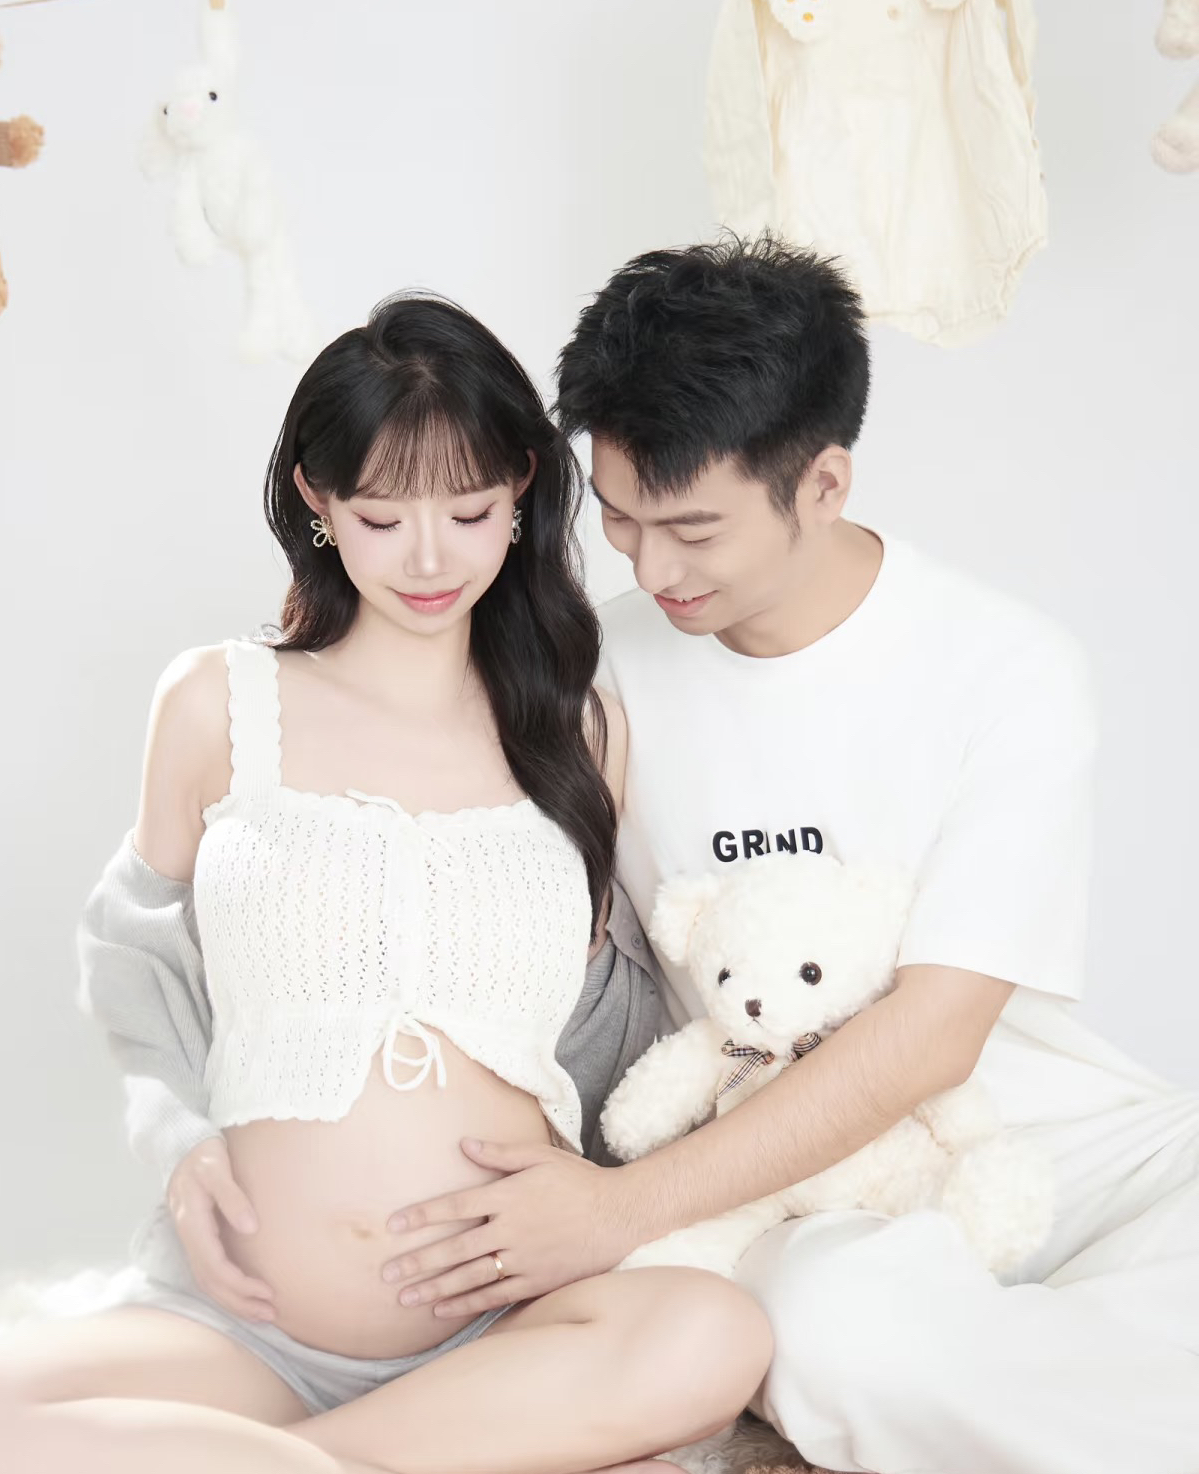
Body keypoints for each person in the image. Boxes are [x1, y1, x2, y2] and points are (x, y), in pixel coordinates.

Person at [0, 293, 771, 1474]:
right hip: (251, 1333)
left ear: (521, 493)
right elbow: (134, 956)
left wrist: (593, 1192)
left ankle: (277, 1461)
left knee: (713, 1333)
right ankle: (388, 1458)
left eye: (470, 511)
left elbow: (613, 1018)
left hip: (502, 1326)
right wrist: (176, 1139)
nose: (430, 558)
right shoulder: (218, 701)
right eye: (382, 517)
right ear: (317, 499)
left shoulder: (579, 730)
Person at [375, 234, 1199, 1474]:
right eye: (619, 519)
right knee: (842, 1340)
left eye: (694, 528)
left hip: (1057, 1148)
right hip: (783, 1183)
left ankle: (1038, 1388)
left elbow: (935, 1037)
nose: (652, 568)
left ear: (823, 484)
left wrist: (616, 1215)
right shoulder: (590, 672)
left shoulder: (1005, 667)